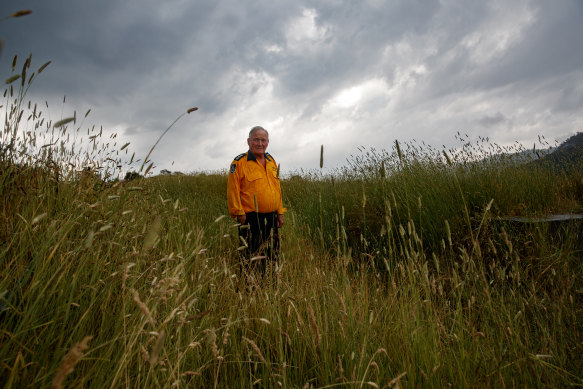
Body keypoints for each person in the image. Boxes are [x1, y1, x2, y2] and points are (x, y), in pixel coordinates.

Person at [227, 126, 286, 276]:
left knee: (272, 252)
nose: (259, 143)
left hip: (271, 216)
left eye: (263, 140)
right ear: (248, 141)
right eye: (256, 139)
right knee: (250, 254)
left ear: (267, 142)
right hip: (250, 217)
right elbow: (232, 189)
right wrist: (239, 212)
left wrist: (280, 212)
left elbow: (276, 187)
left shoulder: (271, 160)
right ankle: (250, 287)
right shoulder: (239, 162)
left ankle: (270, 283)